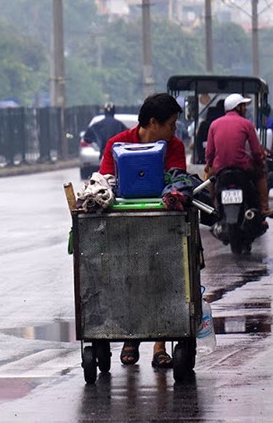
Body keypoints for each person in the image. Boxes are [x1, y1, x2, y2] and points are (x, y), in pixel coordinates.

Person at [98, 93, 186, 369]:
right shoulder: (117, 143)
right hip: (123, 227)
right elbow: (105, 181)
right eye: (171, 124)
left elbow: (178, 181)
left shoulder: (174, 146)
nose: (174, 131)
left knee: (163, 279)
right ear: (152, 122)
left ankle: (160, 345)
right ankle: (131, 338)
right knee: (128, 278)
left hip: (162, 227)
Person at [205, 93, 271, 216]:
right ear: (237, 107)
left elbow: (209, 151)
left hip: (220, 166)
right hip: (243, 166)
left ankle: (210, 206)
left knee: (209, 180)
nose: (245, 108)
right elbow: (256, 151)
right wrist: (260, 163)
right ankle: (264, 208)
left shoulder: (214, 124)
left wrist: (208, 165)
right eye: (243, 106)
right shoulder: (247, 124)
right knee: (261, 176)